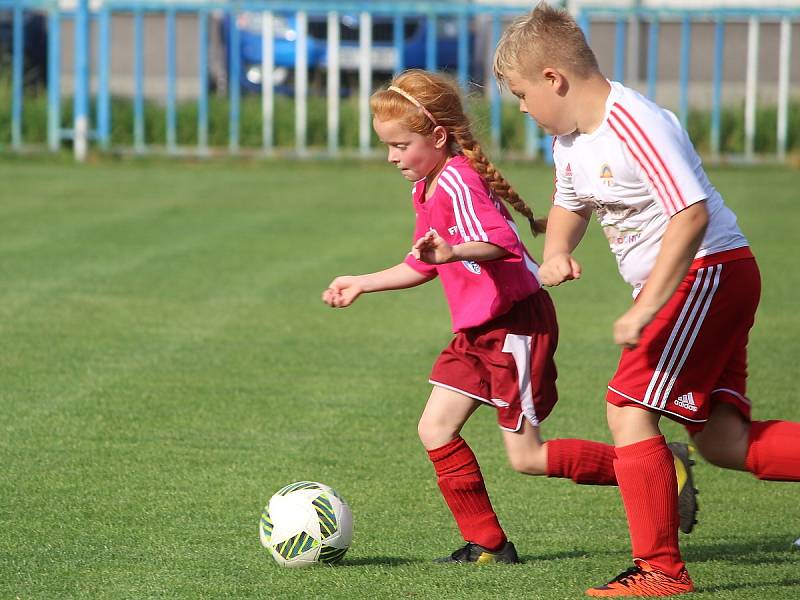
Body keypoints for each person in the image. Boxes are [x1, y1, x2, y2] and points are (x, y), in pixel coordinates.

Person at [321, 69, 696, 564]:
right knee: (434, 429)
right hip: (479, 332)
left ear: (437, 137)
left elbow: (498, 243)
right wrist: (363, 282)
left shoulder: (458, 180)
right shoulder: (429, 184)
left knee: (528, 457)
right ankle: (489, 545)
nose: (392, 157)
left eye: (400, 145)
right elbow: (421, 263)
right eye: (387, 146)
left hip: (515, 325)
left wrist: (453, 251)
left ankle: (663, 470)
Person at [493, 4, 800, 596]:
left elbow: (691, 215)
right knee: (723, 441)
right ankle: (660, 565)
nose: (523, 109)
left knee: (627, 408)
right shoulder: (570, 141)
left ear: (554, 78)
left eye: (522, 94)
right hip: (705, 281)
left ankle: (660, 570)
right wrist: (556, 250)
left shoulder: (634, 120)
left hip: (706, 272)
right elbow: (570, 203)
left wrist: (645, 305)